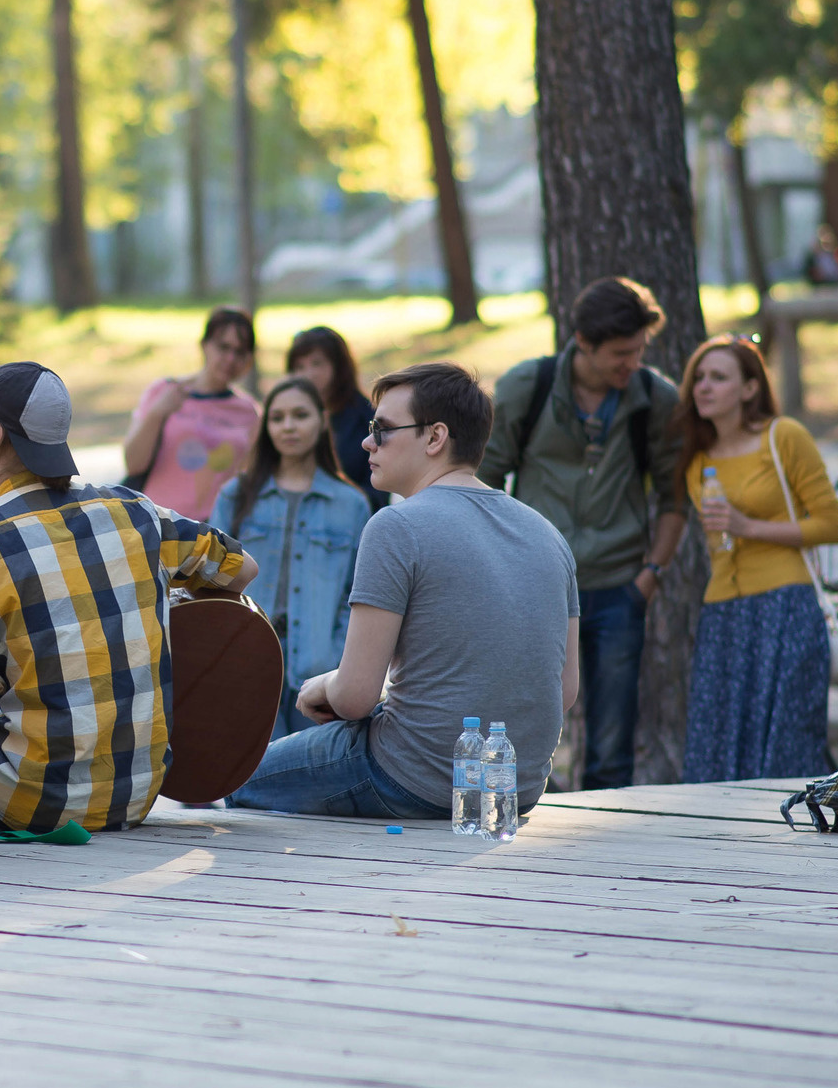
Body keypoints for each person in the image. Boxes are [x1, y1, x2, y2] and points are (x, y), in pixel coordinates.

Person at [231, 363, 578, 821]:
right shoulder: (549, 535)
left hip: (410, 778)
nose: (366, 441)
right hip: (517, 788)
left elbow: (354, 697)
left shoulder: (395, 526)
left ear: (435, 438)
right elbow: (564, 691)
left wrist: (322, 685)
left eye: (383, 429)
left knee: (237, 780)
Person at [0, 362, 256, 835]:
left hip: (31, 802)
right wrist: (167, 608)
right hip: (136, 795)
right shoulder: (138, 512)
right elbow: (243, 569)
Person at [478, 277, 686, 791]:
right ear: (584, 343)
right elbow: (481, 481)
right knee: (522, 729)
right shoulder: (527, 387)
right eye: (620, 353)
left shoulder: (656, 398)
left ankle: (601, 846)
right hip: (535, 587)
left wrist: (651, 574)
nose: (631, 364)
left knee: (613, 743)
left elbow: (674, 497)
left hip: (619, 589)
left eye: (638, 352)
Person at [678, 336, 838, 783]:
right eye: (699, 378)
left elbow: (832, 525)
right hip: (723, 613)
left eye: (719, 377)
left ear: (750, 388)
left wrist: (748, 526)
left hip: (785, 605)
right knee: (717, 745)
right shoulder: (696, 459)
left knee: (784, 746)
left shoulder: (783, 436)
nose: (704, 387)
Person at [215, 376, 374, 739]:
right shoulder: (236, 495)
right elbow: (210, 583)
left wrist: (336, 660)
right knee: (245, 782)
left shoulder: (350, 504)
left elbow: (358, 595)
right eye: (278, 417)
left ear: (321, 420)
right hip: (245, 666)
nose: (288, 426)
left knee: (311, 787)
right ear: (266, 425)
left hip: (320, 673)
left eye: (300, 415)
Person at [122, 306, 262, 522]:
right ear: (205, 345)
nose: (230, 358)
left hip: (213, 533)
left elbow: (249, 480)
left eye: (240, 352)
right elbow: (133, 463)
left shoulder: (250, 413)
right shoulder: (164, 391)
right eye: (223, 347)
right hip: (156, 524)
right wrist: (158, 413)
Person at [286, 325, 383, 510]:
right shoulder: (284, 418)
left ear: (339, 366)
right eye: (299, 366)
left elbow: (379, 492)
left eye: (317, 363)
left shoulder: (367, 419)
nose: (308, 374)